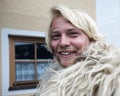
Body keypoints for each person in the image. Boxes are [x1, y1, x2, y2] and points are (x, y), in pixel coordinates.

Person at [35, 4, 120, 96]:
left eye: (73, 34)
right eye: (56, 36)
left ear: (91, 38)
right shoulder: (50, 77)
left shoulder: (110, 79)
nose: (63, 43)